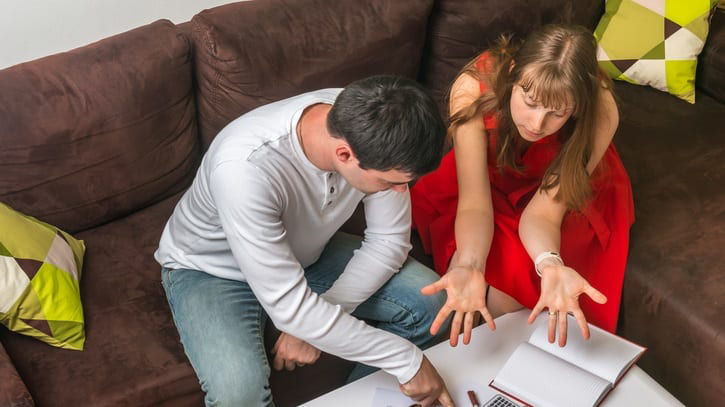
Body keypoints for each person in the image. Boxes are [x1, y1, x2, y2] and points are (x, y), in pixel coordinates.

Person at [155, 75, 454, 407]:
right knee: (239, 396)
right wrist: (408, 362)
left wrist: (318, 320)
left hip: (303, 253)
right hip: (211, 270)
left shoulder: (375, 124)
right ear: (344, 154)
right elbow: (289, 306)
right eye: (391, 182)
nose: (401, 192)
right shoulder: (244, 170)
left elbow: (389, 242)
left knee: (432, 305)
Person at [411, 24, 634, 349]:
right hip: (490, 174)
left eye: (557, 113)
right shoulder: (472, 87)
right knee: (482, 264)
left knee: (522, 279)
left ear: (578, 108)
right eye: (529, 101)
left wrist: (550, 263)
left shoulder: (601, 110)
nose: (536, 123)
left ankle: (517, 367)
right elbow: (474, 203)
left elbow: (545, 213)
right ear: (513, 75)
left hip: (563, 184)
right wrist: (471, 263)